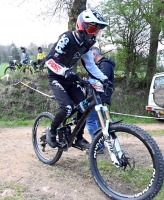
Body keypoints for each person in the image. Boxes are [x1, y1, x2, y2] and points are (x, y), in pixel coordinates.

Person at [45, 8, 110, 149]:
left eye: (97, 31)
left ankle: (78, 138)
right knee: (67, 108)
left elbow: (90, 65)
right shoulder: (67, 38)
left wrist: (105, 79)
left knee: (84, 108)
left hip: (70, 78)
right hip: (56, 77)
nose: (94, 34)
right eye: (92, 29)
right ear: (82, 26)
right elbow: (49, 60)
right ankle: (51, 131)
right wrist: (65, 71)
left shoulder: (86, 45)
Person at [85, 47, 115, 153]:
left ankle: (97, 146)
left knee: (90, 120)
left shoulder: (105, 64)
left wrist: (88, 81)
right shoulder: (100, 64)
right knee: (99, 121)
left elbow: (102, 80)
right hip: (96, 96)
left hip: (99, 97)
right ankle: (101, 143)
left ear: (94, 54)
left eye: (90, 56)